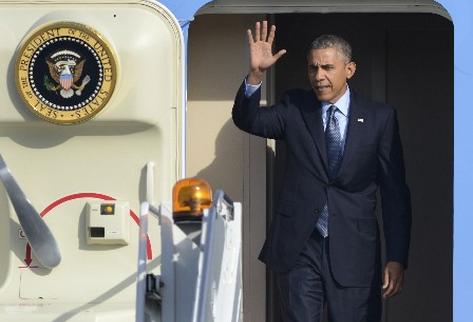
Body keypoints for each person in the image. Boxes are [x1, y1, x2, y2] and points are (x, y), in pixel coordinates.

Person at [232, 21, 411, 322]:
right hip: (299, 246)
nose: (319, 76)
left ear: (349, 70)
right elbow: (247, 120)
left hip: (355, 251)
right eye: (313, 68)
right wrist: (256, 74)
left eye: (327, 67)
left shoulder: (380, 118)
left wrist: (397, 257)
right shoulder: (295, 107)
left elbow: (395, 194)